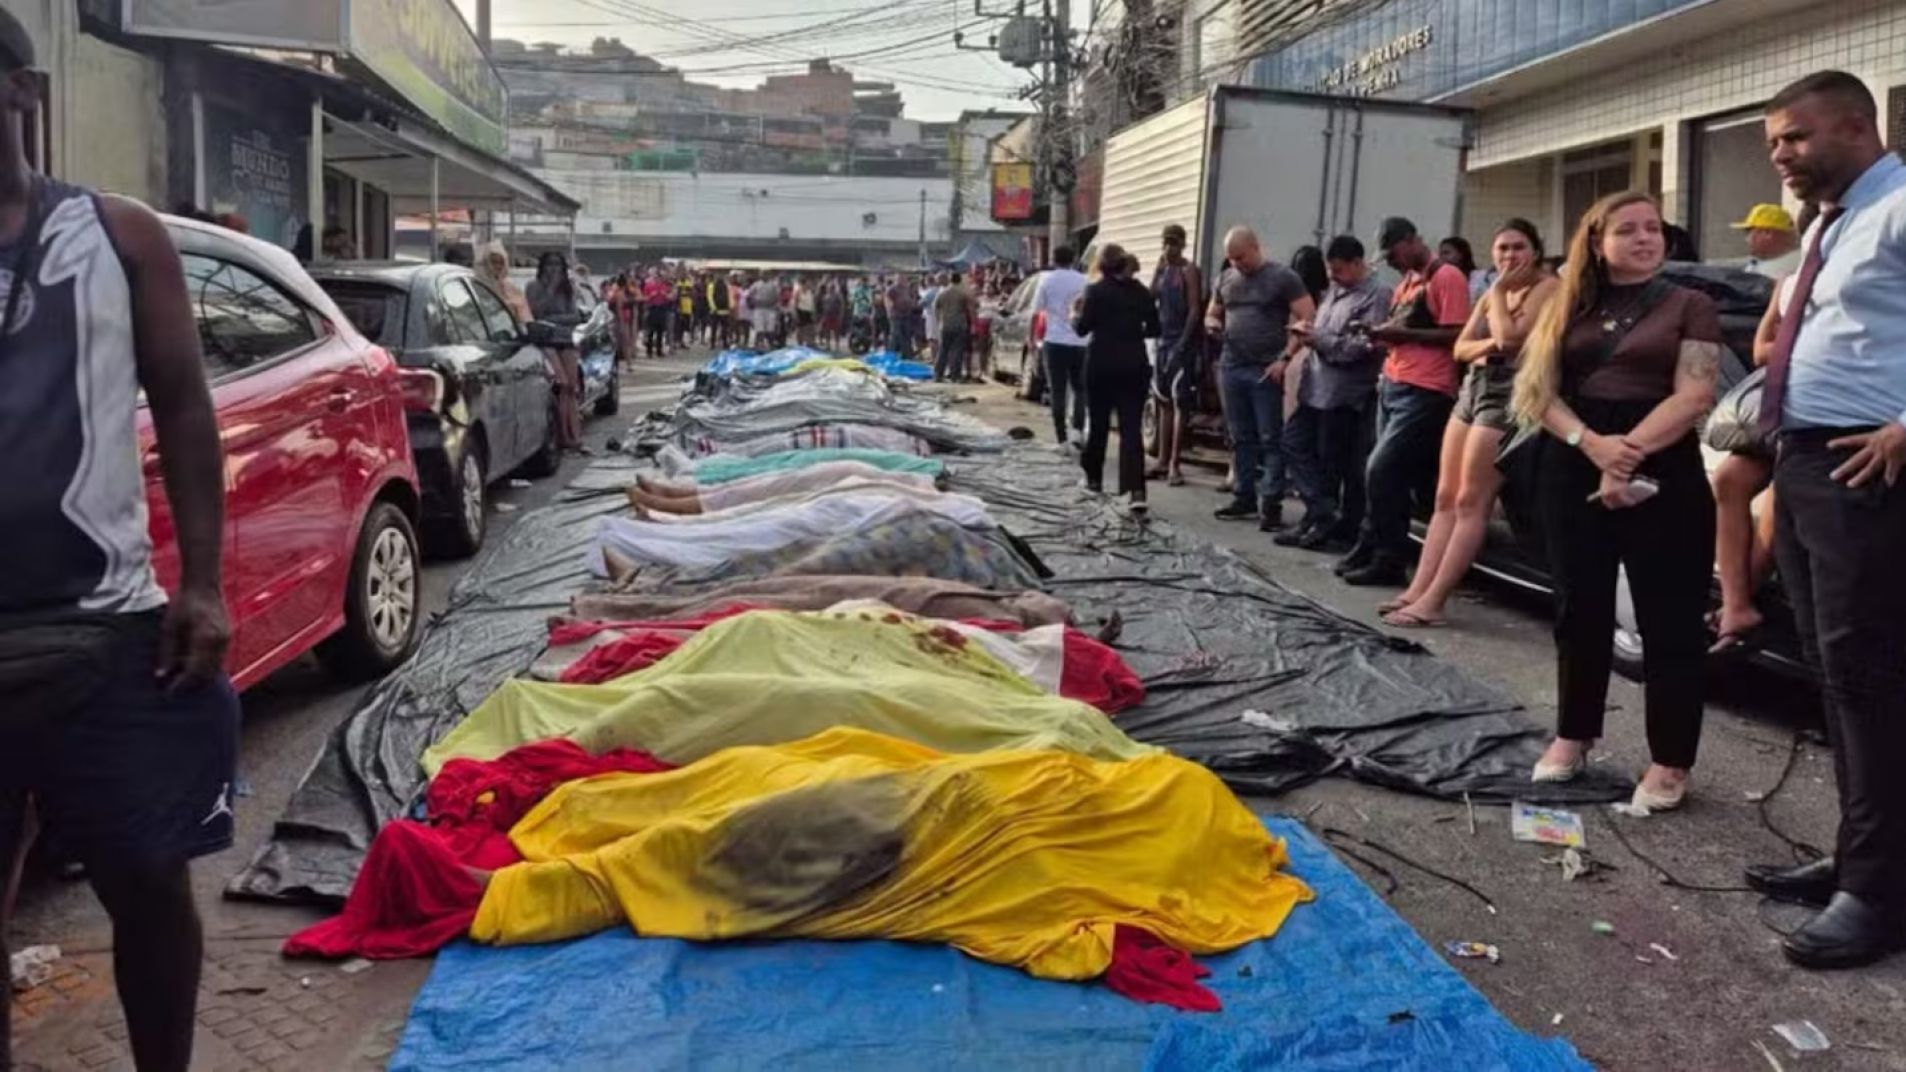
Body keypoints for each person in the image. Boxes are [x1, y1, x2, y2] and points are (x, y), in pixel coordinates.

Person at [0, 16, 238, 1070]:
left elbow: (186, 405)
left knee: (147, 879)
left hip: (108, 633)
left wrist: (205, 583)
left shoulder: (118, 235)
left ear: (21, 91)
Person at [1742, 71, 1906, 970]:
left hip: (1865, 466)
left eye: (1795, 138)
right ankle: (1861, 856)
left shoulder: (1900, 206)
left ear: (1855, 124)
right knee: (1835, 673)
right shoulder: (1831, 222)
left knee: (1869, 676)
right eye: (1773, 142)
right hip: (1805, 458)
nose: (1780, 156)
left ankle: (1877, 897)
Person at [1513, 190, 1722, 818]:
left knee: (1671, 618)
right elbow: (1537, 392)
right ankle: (1574, 734)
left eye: (1652, 228)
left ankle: (1670, 758)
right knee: (1579, 607)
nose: (1643, 238)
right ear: (1597, 242)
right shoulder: (1566, 300)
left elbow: (1695, 393)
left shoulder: (1691, 305)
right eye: (1627, 229)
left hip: (1664, 460)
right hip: (1572, 456)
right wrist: (1590, 445)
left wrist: (1624, 453)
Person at [1381, 220, 1558, 627]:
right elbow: (1462, 347)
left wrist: (1496, 298)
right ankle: (1417, 590)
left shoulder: (1546, 289)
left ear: (1536, 250)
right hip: (1473, 391)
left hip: (1509, 396)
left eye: (1518, 248)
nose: (1509, 257)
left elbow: (1512, 338)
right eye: (1502, 249)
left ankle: (1434, 602)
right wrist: (1492, 343)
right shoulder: (1499, 290)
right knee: (1445, 495)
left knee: (1471, 501)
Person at [1337, 217, 1471, 585]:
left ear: (1412, 240)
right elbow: (1404, 331)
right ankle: (1372, 544)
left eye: (1394, 252)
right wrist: (1378, 334)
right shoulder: (1409, 282)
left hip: (1426, 389)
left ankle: (1389, 557)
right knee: (1381, 475)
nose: (1393, 261)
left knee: (1382, 470)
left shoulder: (1447, 277)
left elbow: (1457, 334)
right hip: (1395, 383)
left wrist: (1400, 333)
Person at [1278, 235, 1390, 551]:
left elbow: (1362, 347)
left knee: (1333, 463)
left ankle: (1330, 524)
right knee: (1292, 443)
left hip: (1344, 394)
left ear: (1358, 264)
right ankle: (1320, 512)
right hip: (1314, 388)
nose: (1334, 277)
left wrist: (1319, 338)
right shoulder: (1335, 292)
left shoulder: (1376, 296)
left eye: (1340, 270)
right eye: (1331, 271)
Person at [1206, 226, 1315, 531]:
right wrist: (1212, 323)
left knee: (1270, 437)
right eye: (1231, 259)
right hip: (1232, 365)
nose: (1237, 264)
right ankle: (1243, 495)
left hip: (1264, 368)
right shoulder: (1226, 279)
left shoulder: (1282, 278)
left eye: (1241, 257)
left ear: (1256, 248)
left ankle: (1271, 504)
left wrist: (1285, 357)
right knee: (1240, 436)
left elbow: (1306, 317)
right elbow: (1212, 311)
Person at [1072, 243, 1161, 511]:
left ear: (1102, 266)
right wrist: (1131, 333)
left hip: (1101, 364)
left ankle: (1094, 480)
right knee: (1130, 429)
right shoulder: (1142, 292)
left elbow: (1082, 328)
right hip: (1134, 365)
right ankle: (1134, 490)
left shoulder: (1095, 292)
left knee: (1098, 426)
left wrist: (1074, 314)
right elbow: (1155, 327)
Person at [1148, 225, 1204, 487]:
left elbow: (1194, 309)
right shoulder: (1164, 269)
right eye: (1165, 242)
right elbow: (1150, 299)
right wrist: (1158, 272)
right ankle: (1161, 459)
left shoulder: (1188, 271)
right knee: (1163, 401)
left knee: (1180, 401)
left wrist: (1183, 343)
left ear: (1182, 244)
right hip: (1161, 341)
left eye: (1174, 243)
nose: (1169, 248)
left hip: (1180, 343)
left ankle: (1175, 464)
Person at [528, 252, 586, 452]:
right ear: (543, 267)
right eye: (550, 264)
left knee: (571, 388)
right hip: (546, 340)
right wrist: (550, 290)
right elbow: (535, 313)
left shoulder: (568, 289)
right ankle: (563, 435)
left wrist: (553, 319)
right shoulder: (534, 287)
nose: (554, 269)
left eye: (558, 265)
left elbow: (575, 316)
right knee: (561, 385)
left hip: (565, 339)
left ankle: (575, 435)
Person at [1033, 248, 1090, 448]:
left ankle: (1061, 438)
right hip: (1080, 341)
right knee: (1080, 389)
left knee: (1057, 390)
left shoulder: (1047, 280)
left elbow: (1038, 309)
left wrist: (1032, 339)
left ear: (1053, 260)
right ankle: (1077, 431)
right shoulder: (1084, 280)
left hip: (1055, 341)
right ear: (1074, 259)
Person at [1731, 203, 1801, 276]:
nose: (1746, 239)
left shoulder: (1791, 267)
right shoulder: (1798, 260)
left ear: (1768, 233)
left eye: (1749, 232)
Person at [934, 272, 979, 383]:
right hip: (959, 325)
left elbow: (935, 307)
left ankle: (938, 374)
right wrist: (973, 324)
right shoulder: (963, 293)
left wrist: (939, 320)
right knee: (957, 350)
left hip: (945, 325)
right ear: (960, 280)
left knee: (943, 349)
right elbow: (972, 308)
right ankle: (955, 375)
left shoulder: (942, 292)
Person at [476, 241, 531, 323]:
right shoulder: (477, 284)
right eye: (494, 262)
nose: (498, 266)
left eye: (501, 263)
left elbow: (525, 317)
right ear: (486, 262)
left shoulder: (511, 287)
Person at [1440, 236, 1488, 304]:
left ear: (1460, 254)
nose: (1442, 258)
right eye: (1441, 254)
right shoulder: (1442, 282)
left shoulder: (1480, 278)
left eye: (1446, 253)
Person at [747, 273, 783, 351]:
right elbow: (749, 296)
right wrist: (752, 304)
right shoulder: (756, 285)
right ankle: (759, 344)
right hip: (759, 309)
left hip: (770, 309)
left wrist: (776, 307)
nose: (764, 275)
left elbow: (778, 297)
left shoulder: (773, 285)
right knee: (759, 329)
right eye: (763, 274)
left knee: (770, 329)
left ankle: (771, 344)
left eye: (766, 273)